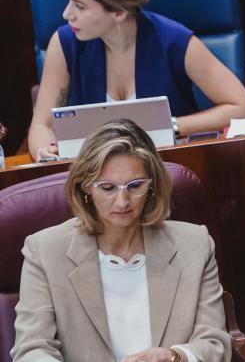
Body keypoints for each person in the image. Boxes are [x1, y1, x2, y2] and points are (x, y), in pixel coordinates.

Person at [12, 119, 231, 361]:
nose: (122, 201)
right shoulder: (44, 251)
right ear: (85, 187)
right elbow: (32, 350)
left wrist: (174, 356)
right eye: (107, 188)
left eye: (135, 185)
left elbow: (215, 342)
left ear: (152, 186)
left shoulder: (194, 244)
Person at [28, 0, 245, 161]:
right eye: (69, 0)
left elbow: (243, 107)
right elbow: (41, 126)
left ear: (118, 12)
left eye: (79, 6)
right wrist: (45, 152)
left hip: (165, 165)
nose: (66, 14)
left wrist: (170, 125)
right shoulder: (64, 44)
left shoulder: (175, 40)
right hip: (92, 176)